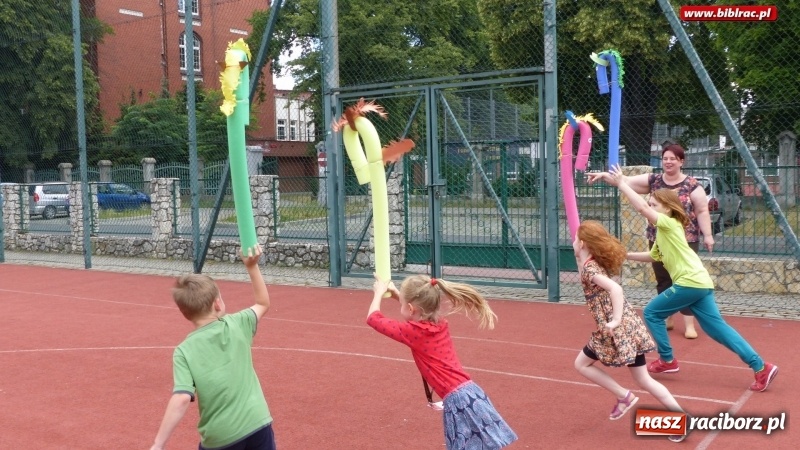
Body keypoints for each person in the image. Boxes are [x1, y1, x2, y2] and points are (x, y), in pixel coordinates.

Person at [608, 166, 778, 391]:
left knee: (651, 313)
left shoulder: (669, 223)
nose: (650, 208)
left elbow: (639, 208)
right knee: (717, 330)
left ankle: (667, 360)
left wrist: (622, 184)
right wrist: (625, 255)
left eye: (654, 205)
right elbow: (653, 256)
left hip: (689, 282)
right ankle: (760, 366)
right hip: (700, 283)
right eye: (650, 204)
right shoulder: (663, 232)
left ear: (668, 209)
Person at [367, 274, 517, 450]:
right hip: (470, 394)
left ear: (410, 307)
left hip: (458, 401)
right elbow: (418, 308)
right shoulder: (439, 323)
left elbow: (373, 319)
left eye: (401, 304)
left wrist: (378, 293)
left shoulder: (413, 332)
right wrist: (395, 293)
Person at [150, 245, 276, 450]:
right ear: (218, 304)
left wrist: (158, 444)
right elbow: (263, 303)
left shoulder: (184, 351)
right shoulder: (237, 324)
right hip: (257, 421)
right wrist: (252, 267)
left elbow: (182, 397)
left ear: (184, 313)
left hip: (221, 436)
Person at [572, 221, 688, 442]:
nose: (573, 242)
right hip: (627, 326)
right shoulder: (593, 263)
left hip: (616, 329)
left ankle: (623, 396)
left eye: (576, 239)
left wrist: (614, 320)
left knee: (581, 364)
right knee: (644, 380)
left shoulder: (590, 268)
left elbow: (615, 289)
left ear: (584, 243)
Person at [588, 144, 713, 339]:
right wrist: (605, 175)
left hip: (685, 239)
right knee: (663, 278)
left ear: (681, 161)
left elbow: (702, 210)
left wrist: (708, 235)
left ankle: (689, 324)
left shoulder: (691, 185)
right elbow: (625, 181)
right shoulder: (654, 180)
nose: (668, 162)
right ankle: (667, 316)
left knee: (683, 280)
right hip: (657, 238)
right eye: (665, 158)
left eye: (673, 158)